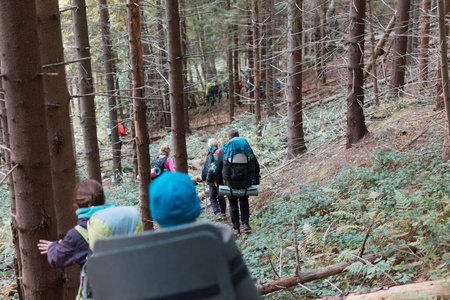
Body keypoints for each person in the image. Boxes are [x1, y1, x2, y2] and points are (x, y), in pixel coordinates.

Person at [37, 179, 114, 268]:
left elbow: (57, 259)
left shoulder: (77, 235)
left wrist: (53, 246)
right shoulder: (121, 221)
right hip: (130, 279)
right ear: (103, 200)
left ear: (77, 204)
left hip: (100, 281)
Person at [216, 129, 260, 235]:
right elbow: (255, 164)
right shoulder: (246, 147)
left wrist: (219, 184)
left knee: (232, 204)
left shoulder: (225, 149)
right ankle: (245, 224)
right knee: (244, 200)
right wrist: (256, 179)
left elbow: (218, 168)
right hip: (245, 180)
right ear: (238, 136)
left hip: (231, 182)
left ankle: (236, 228)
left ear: (229, 138)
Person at [201, 138, 227, 220]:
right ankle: (223, 213)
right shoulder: (221, 153)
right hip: (221, 178)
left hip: (212, 180)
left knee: (212, 197)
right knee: (221, 196)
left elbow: (207, 168)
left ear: (209, 145)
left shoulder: (210, 155)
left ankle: (217, 212)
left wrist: (204, 177)